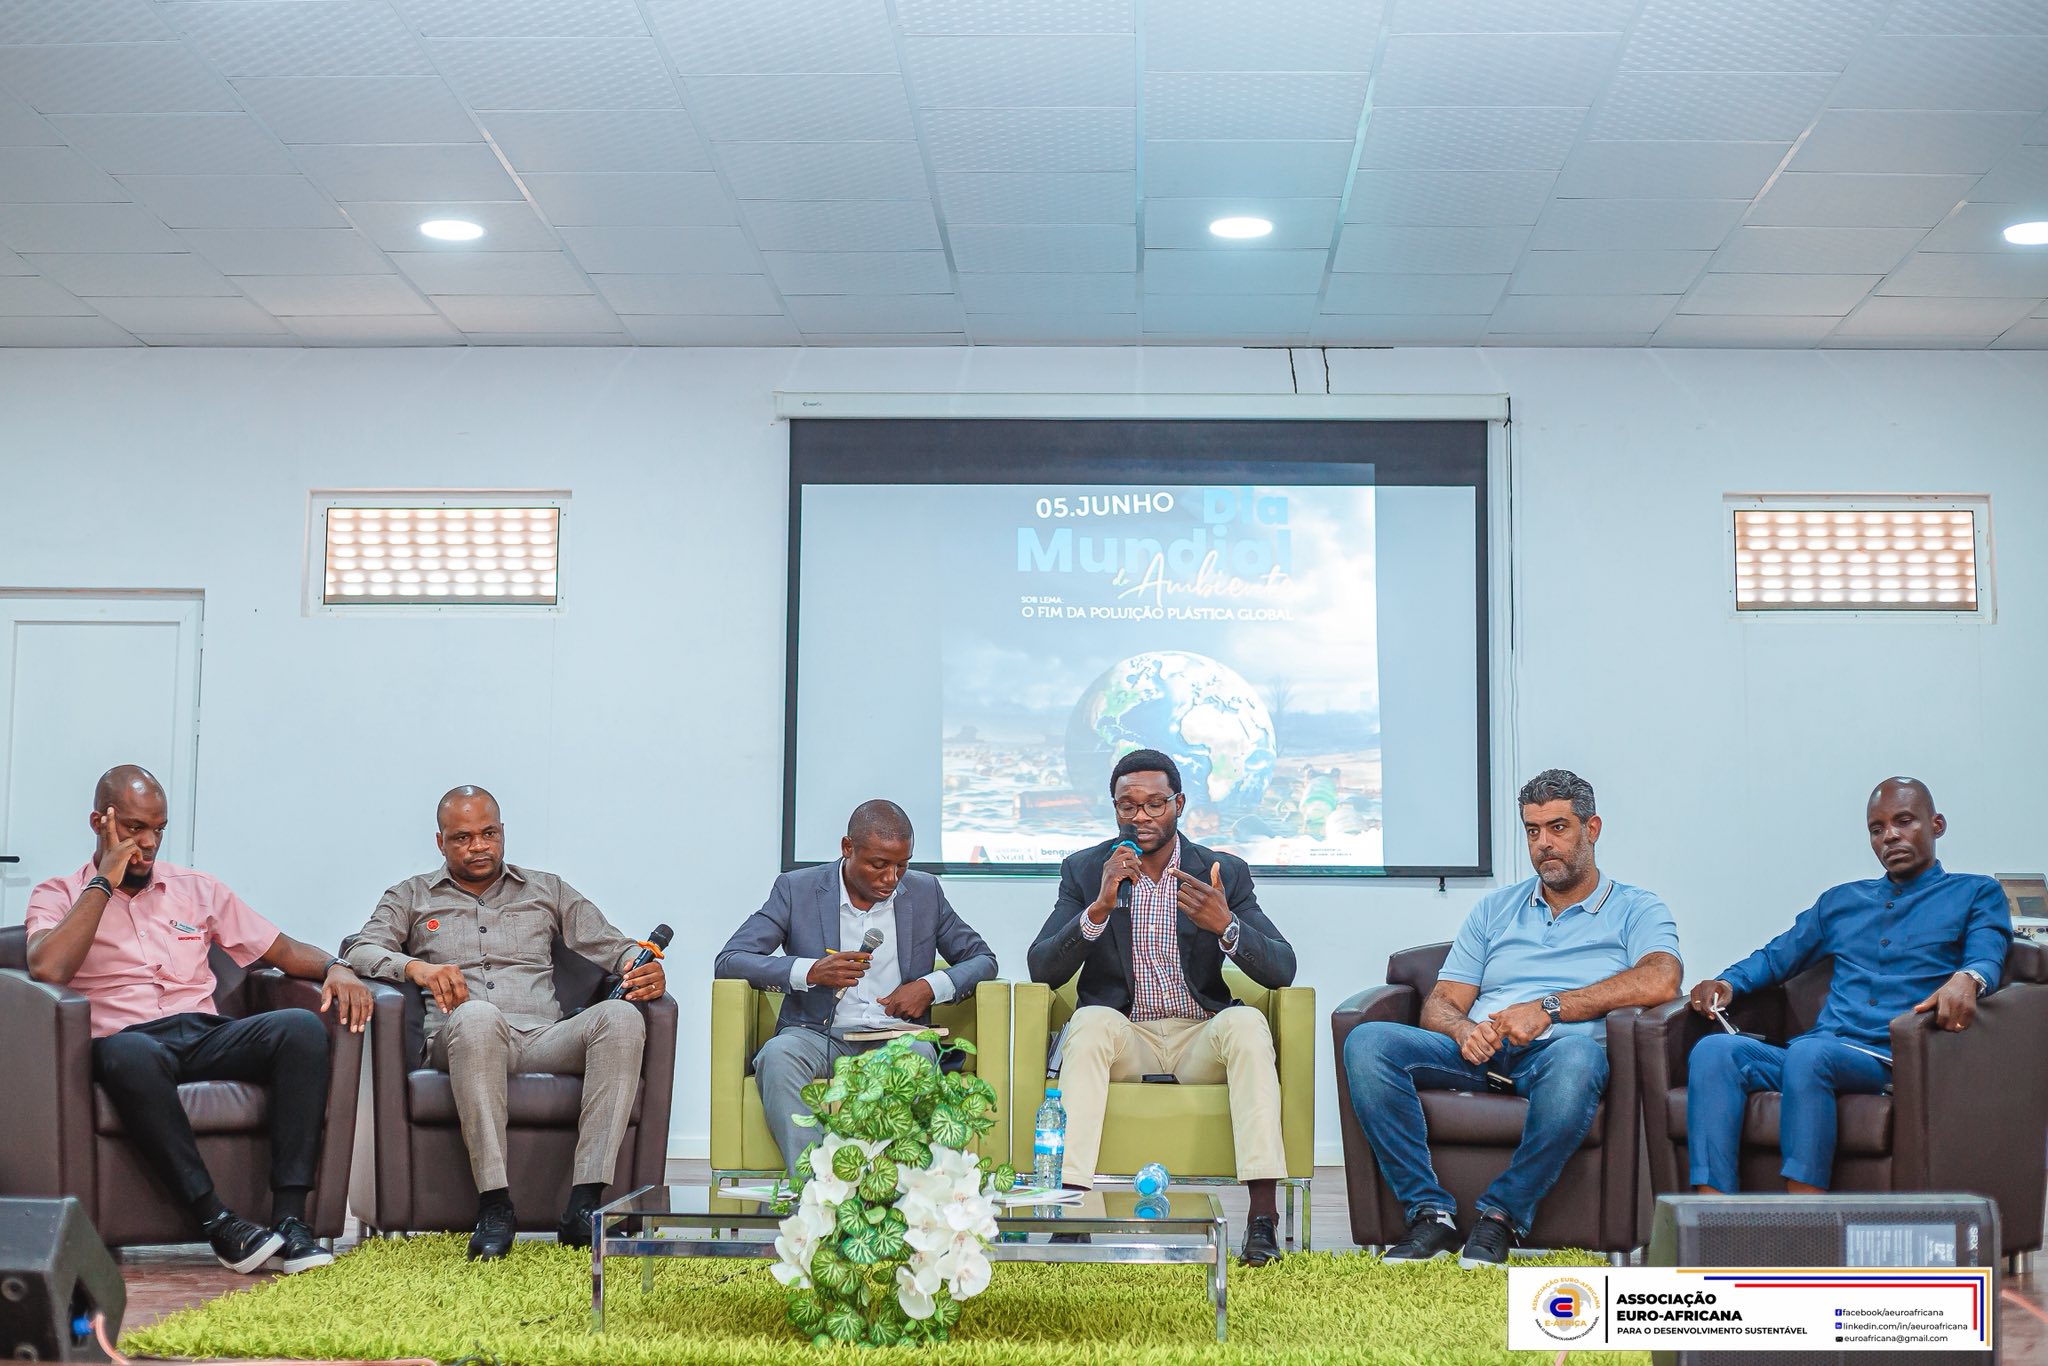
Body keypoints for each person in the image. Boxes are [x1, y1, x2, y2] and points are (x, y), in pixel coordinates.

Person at [25, 765, 372, 1275]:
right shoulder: (58, 893)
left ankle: (291, 1222)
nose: (147, 843)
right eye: (133, 829)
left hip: (204, 1033)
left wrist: (336, 966)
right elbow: (47, 966)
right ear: (100, 822)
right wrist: (104, 882)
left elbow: (280, 948)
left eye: (158, 830)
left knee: (299, 1029)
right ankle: (218, 1222)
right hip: (128, 1042)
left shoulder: (197, 889)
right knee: (128, 1052)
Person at [1343, 768, 1681, 1268]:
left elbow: (1661, 979)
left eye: (1559, 828)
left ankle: (1499, 1218)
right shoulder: (1494, 910)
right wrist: (1463, 1029)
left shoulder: (1636, 908)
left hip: (1561, 1052)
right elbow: (1441, 1001)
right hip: (1481, 1051)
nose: (1544, 843)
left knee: (1578, 1058)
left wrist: (1549, 1008)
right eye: (1532, 830)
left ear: (1592, 829)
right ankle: (1429, 1214)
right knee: (1367, 1043)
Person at [342, 786, 664, 1260]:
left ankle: (584, 1203)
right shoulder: (410, 895)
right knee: (477, 1015)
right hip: (464, 1035)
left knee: (620, 1016)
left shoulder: (547, 889)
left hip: (544, 1034)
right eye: (463, 837)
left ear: (502, 832)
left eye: (488, 833)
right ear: (440, 842)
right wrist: (417, 969)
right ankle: (495, 1204)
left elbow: (613, 947)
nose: (478, 846)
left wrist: (645, 965)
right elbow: (359, 949)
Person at [1027, 749, 1298, 1267]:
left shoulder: (1222, 872)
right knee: (1087, 1023)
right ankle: (1072, 1214)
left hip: (1199, 1036)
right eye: (1128, 806)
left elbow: (1282, 969)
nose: (1141, 817)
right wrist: (1099, 908)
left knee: (1246, 1023)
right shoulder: (1086, 871)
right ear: (1114, 809)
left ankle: (1262, 1219)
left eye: (1155, 804)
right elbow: (1043, 967)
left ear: (1179, 804)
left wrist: (1227, 926)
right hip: (1126, 1035)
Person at [1685, 777, 2011, 1195]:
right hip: (1819, 1052)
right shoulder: (1841, 902)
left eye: (1904, 821)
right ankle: (1713, 1225)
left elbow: (1988, 951)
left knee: (1809, 1053)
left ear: (1937, 825)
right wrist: (1728, 982)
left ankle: (1806, 1232)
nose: (1890, 835)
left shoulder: (1974, 892)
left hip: (1886, 1059)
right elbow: (1777, 956)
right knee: (1714, 1051)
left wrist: (1968, 979)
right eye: (1877, 829)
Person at [716, 799, 998, 1182]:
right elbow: (731, 959)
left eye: (902, 864)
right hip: (816, 1034)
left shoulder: (925, 892)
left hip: (894, 1037)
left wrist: (929, 987)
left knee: (916, 1056)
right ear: (848, 848)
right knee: (777, 1056)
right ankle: (818, 1189)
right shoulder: (797, 889)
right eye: (879, 865)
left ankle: (894, 1191)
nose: (891, 878)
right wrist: (810, 970)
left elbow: (982, 959)